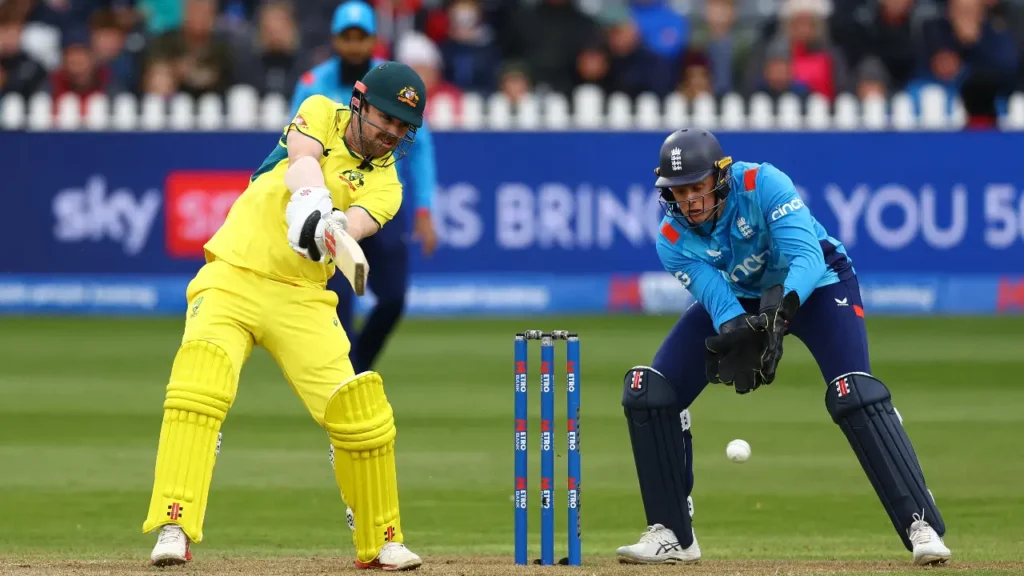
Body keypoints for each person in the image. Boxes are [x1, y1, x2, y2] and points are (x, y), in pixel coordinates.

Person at [616, 129, 952, 566]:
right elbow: (720, 305)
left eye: (697, 188)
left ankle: (919, 523)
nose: (689, 202)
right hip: (744, 295)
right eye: (678, 192)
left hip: (817, 282)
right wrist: (742, 334)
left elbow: (807, 257)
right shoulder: (672, 239)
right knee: (649, 391)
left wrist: (781, 314)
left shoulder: (763, 183)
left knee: (855, 394)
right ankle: (672, 535)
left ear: (721, 177)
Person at [142, 61, 428, 572]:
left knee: (359, 411)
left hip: (303, 296)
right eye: (386, 118)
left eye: (404, 128)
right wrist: (311, 200)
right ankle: (174, 525)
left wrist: (333, 225)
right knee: (199, 384)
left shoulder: (389, 187)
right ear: (360, 103)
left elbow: (357, 228)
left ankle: (381, 538)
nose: (392, 134)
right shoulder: (320, 109)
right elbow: (301, 160)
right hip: (234, 273)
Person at [292, 0, 438, 374]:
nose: (354, 45)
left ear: (373, 39)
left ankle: (356, 367)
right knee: (339, 299)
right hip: (328, 203)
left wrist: (424, 208)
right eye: (347, 36)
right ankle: (349, 374)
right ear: (335, 39)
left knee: (393, 299)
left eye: (362, 37)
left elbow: (421, 151)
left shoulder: (393, 86)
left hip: (379, 202)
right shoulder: (314, 85)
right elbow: (299, 144)